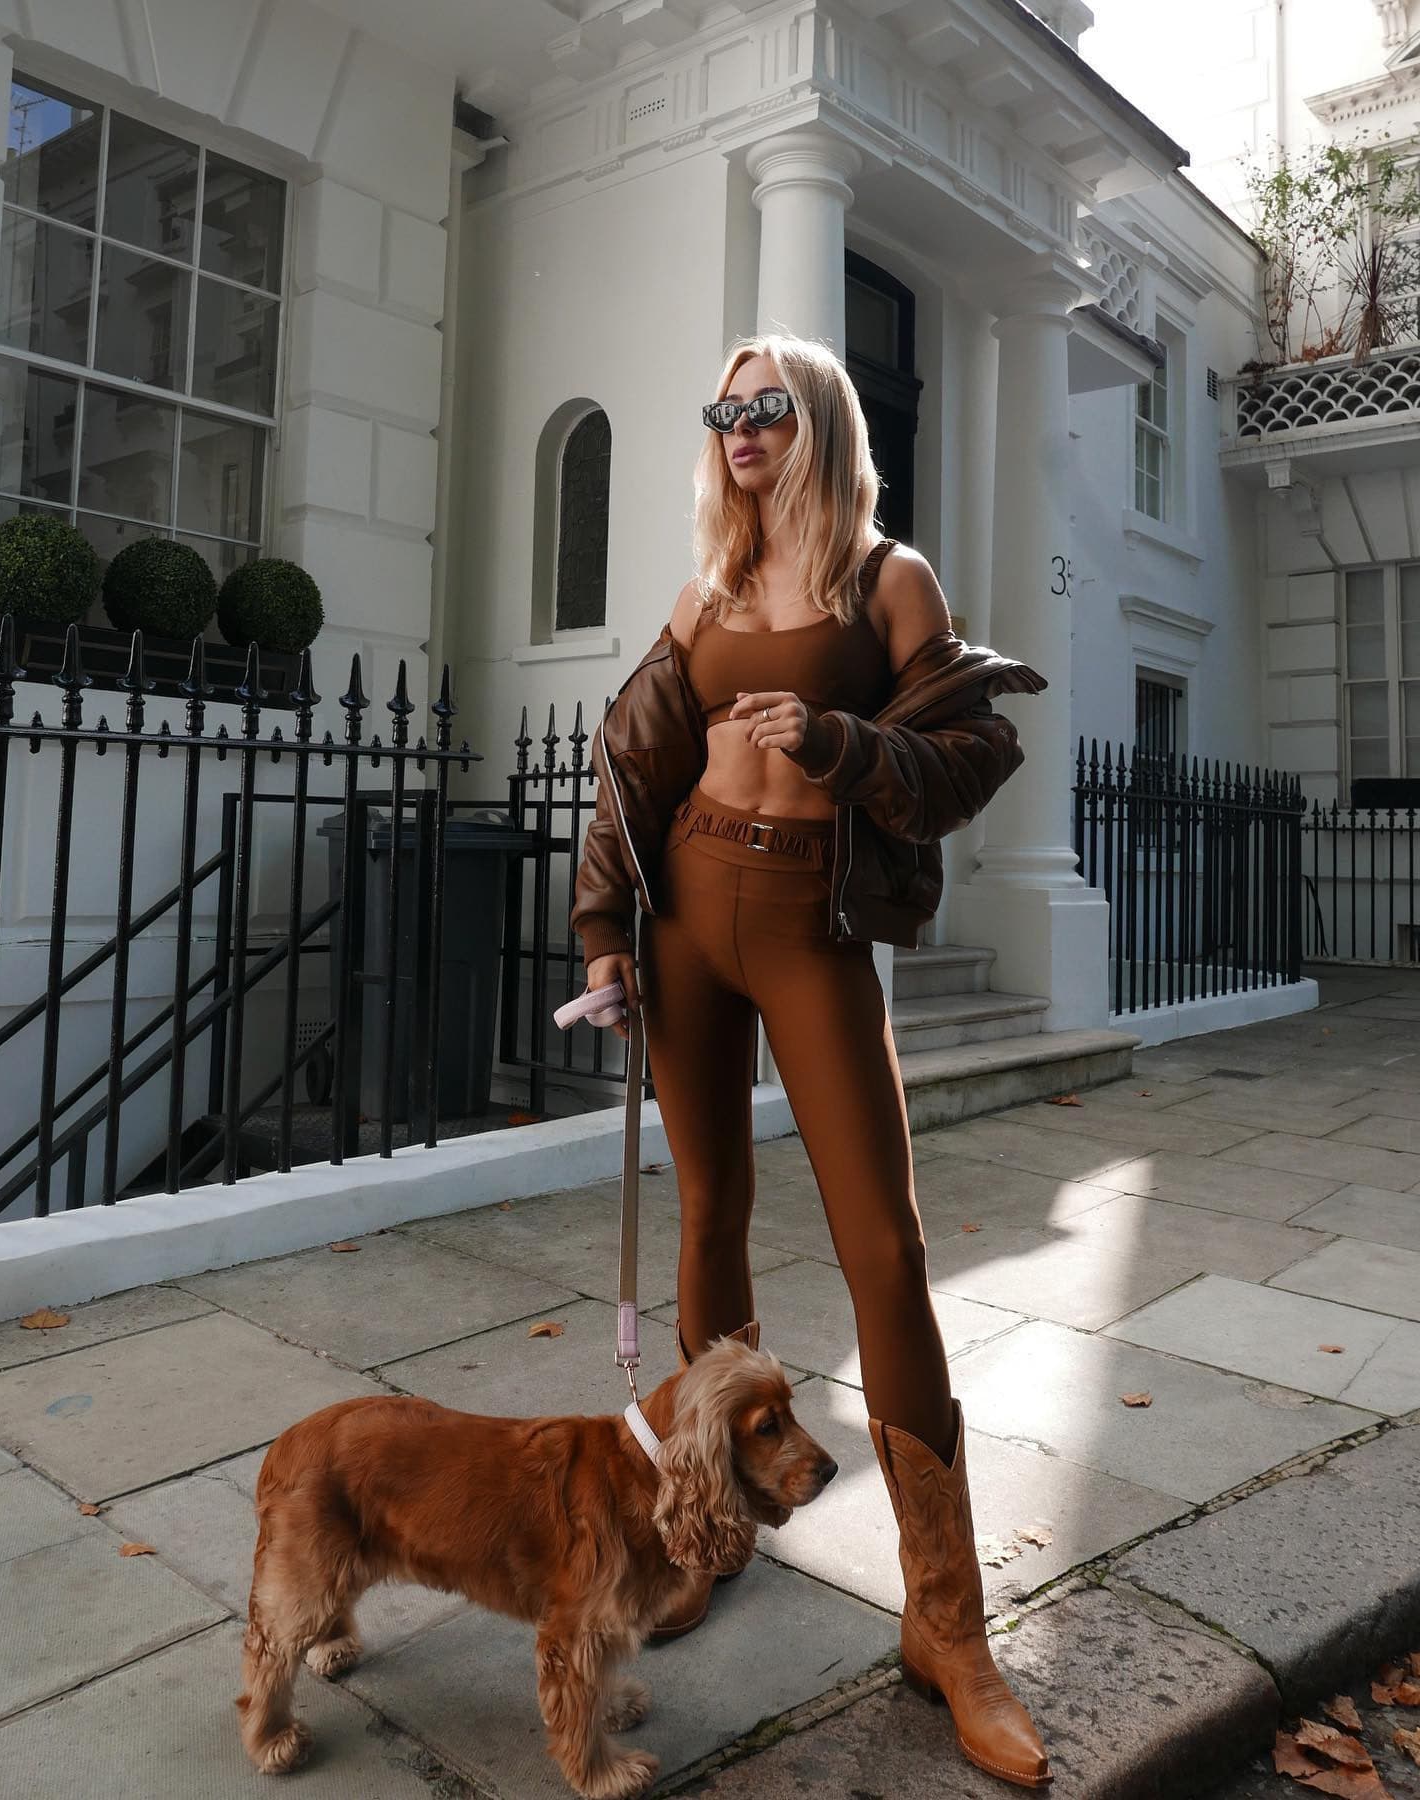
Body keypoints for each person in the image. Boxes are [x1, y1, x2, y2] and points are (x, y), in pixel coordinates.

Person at [568, 333, 1051, 1789]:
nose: (739, 428)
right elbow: (629, 761)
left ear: (820, 419)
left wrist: (838, 740)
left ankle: (946, 1622)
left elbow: (966, 753)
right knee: (711, 1213)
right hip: (689, 916)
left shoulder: (887, 576)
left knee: (883, 1249)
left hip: (809, 922)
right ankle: (706, 1538)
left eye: (765, 404)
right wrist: (604, 927)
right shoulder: (705, 585)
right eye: (721, 408)